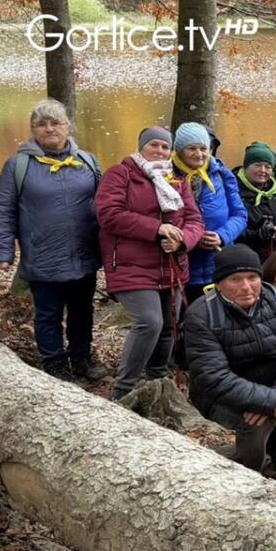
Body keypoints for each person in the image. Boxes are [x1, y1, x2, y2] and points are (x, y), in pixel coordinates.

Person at [0, 98, 104, 381]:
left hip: (83, 255)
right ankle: (54, 365)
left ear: (68, 127)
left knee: (82, 311)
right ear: (33, 129)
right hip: (42, 256)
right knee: (48, 314)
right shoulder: (18, 165)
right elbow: (3, 209)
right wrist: (3, 252)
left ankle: (81, 358)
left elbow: (107, 206)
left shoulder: (87, 162)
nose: (50, 128)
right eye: (42, 124)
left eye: (56, 123)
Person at [182, 245, 276, 477]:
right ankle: (244, 470)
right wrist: (269, 403)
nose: (246, 287)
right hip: (226, 398)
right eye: (235, 279)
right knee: (256, 425)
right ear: (219, 283)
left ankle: (271, 441)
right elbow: (213, 377)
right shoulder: (202, 315)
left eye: (252, 277)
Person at [95, 126, 204, 400]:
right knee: (149, 322)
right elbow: (109, 214)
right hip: (132, 265)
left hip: (171, 265)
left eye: (165, 147)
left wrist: (182, 241)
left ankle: (157, 381)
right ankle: (123, 390)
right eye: (153, 145)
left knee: (169, 325)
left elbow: (194, 220)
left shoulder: (177, 179)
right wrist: (156, 229)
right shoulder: (121, 174)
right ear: (141, 146)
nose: (159, 151)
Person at [173, 122, 247, 302]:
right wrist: (193, 237)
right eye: (191, 148)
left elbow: (240, 215)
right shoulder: (168, 176)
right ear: (180, 150)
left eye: (203, 148)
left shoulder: (222, 174)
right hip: (183, 265)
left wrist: (221, 236)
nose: (199, 154)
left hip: (219, 263)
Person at [236, 141, 276, 260]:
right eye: (257, 165)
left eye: (268, 166)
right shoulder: (233, 190)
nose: (263, 170)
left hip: (273, 259)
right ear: (246, 166)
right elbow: (229, 228)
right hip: (243, 258)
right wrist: (257, 234)